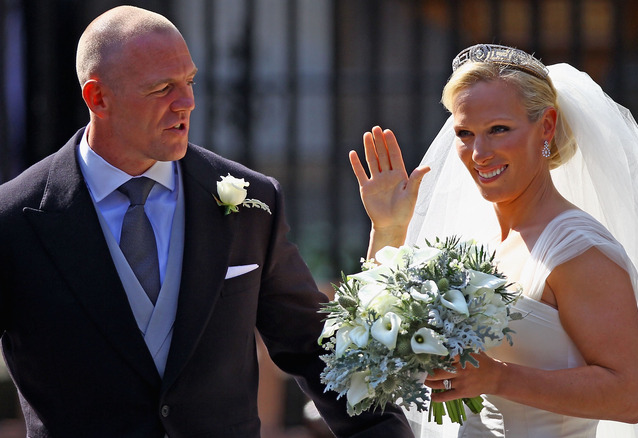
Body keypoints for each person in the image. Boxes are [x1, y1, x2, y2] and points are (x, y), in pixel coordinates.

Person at [0, 6, 413, 438]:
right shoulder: (14, 220)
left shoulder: (253, 201)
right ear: (97, 98)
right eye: (162, 88)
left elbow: (314, 347)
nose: (187, 102)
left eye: (189, 82)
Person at [349, 44, 638, 437]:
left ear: (545, 126)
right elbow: (379, 357)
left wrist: (498, 378)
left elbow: (629, 396)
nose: (479, 153)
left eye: (498, 130)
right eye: (465, 133)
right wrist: (387, 230)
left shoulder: (579, 251)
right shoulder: (472, 242)